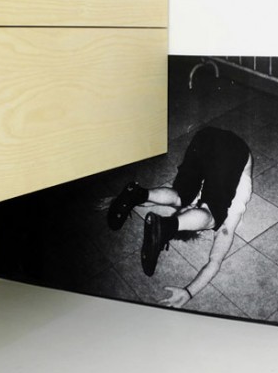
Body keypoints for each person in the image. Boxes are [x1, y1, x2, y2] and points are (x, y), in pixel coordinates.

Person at [108, 127, 253, 308]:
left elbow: (154, 203)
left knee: (179, 197)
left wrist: (122, 199)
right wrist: (189, 292)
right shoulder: (229, 216)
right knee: (211, 218)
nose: (189, 208)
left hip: (206, 136)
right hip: (233, 148)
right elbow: (215, 261)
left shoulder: (193, 202)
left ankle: (138, 193)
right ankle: (165, 225)